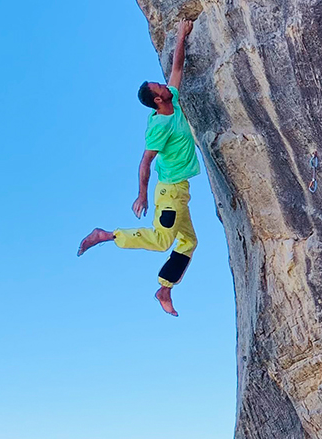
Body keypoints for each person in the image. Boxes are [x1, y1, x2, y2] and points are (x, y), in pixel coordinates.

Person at [78, 19, 200, 317]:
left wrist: (182, 35)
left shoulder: (174, 100)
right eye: (160, 87)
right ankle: (106, 235)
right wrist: (142, 195)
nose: (165, 85)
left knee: (188, 242)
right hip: (169, 193)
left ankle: (164, 289)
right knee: (162, 241)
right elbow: (145, 161)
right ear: (158, 99)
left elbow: (178, 69)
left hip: (180, 191)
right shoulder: (160, 125)